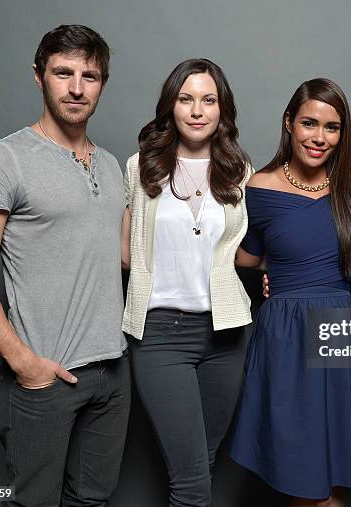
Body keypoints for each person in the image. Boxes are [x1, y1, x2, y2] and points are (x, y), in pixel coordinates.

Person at [0, 25, 130, 506]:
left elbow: (127, 256)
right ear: (39, 76)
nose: (76, 87)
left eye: (89, 76)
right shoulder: (3, 161)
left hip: (112, 371)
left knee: (92, 500)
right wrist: (24, 363)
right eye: (63, 72)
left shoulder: (112, 167)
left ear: (102, 83)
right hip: (43, 379)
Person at [229, 78, 351, 507]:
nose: (319, 137)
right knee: (301, 473)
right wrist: (276, 278)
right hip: (287, 336)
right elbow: (245, 258)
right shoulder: (258, 187)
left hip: (344, 333)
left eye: (332, 128)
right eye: (309, 123)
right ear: (289, 123)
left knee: (332, 478)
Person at [121, 58, 253, 507]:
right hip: (160, 337)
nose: (197, 110)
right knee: (192, 480)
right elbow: (124, 251)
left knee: (204, 464)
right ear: (171, 107)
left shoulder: (241, 171)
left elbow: (252, 247)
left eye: (209, 100)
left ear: (222, 110)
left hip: (227, 335)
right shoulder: (141, 168)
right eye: (186, 99)